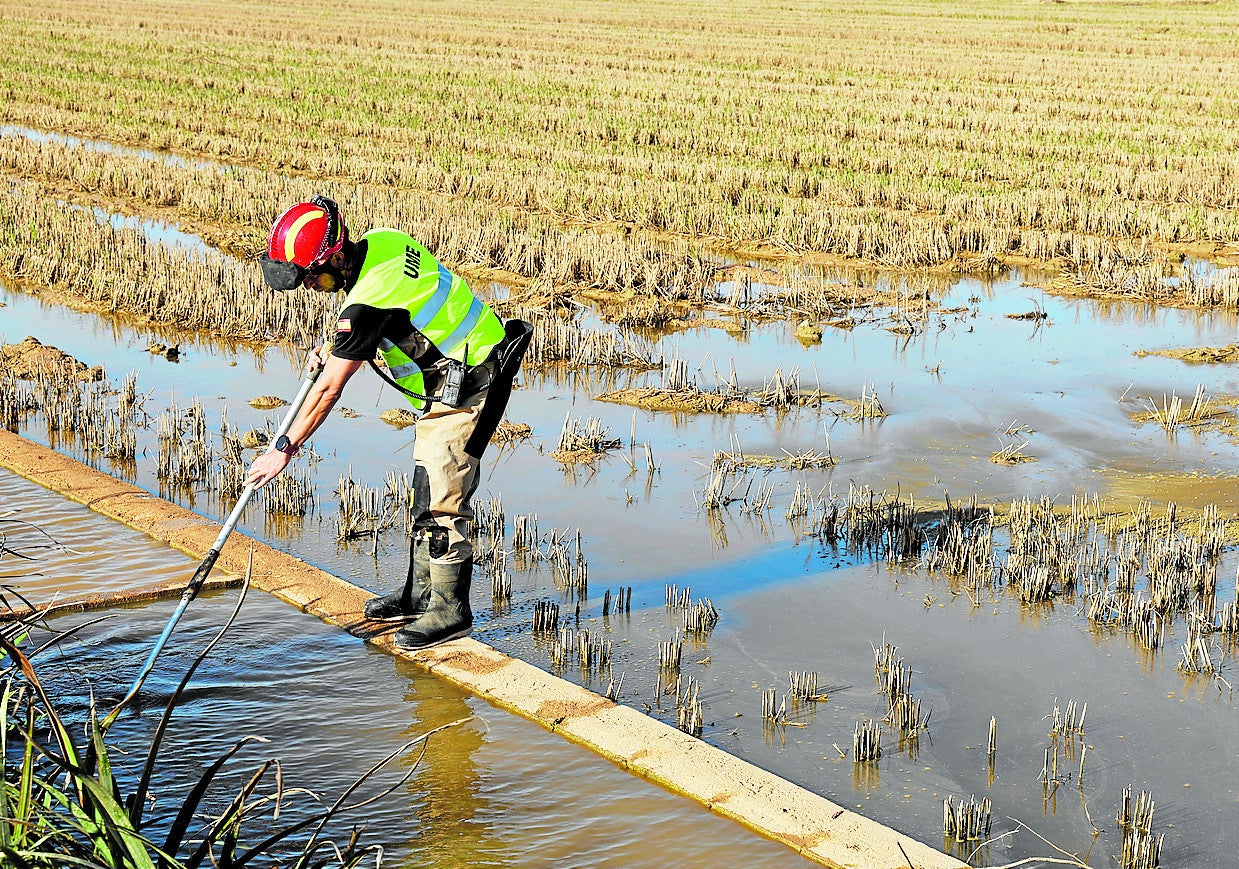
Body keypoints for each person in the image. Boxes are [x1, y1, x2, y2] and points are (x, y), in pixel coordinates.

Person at [246, 195, 531, 651]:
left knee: (442, 498)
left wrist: (283, 447)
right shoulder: (382, 242)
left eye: (312, 277)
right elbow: (394, 312)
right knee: (424, 488)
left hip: (474, 382)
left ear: (334, 258)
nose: (312, 286)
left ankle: (452, 610)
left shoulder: (364, 303)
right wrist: (337, 346)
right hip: (457, 374)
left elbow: (329, 390)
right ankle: (419, 594)